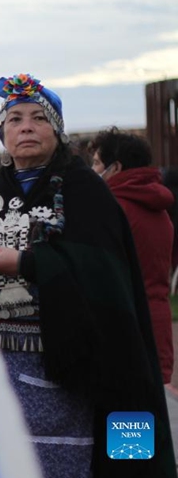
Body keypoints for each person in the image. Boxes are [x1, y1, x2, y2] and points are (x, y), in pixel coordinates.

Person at [0, 73, 175, 478]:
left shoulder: (85, 192)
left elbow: (104, 273)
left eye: (38, 118)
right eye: (15, 118)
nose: (26, 126)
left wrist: (27, 263)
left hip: (75, 366)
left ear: (57, 131)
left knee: (82, 460)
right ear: (1, 132)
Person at [90, 127, 175, 384]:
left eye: (96, 163)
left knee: (121, 418)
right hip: (154, 325)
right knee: (138, 419)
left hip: (122, 332)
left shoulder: (112, 209)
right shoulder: (156, 206)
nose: (92, 171)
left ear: (114, 168)